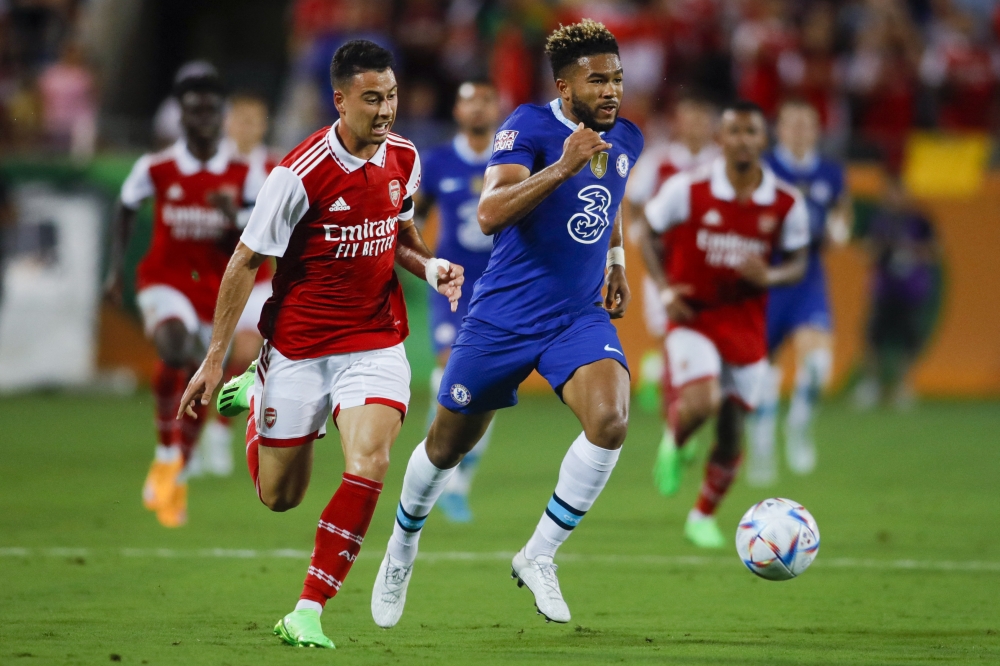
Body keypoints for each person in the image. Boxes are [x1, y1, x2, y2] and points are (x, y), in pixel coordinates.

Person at [177, 40, 463, 649]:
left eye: (390, 97)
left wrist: (431, 267)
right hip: (300, 346)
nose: (386, 110)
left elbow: (400, 236)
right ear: (339, 100)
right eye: (371, 99)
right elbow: (243, 262)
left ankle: (309, 607)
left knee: (371, 461)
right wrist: (212, 360)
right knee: (281, 497)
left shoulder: (405, 158)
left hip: (374, 338)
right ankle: (259, 395)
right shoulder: (298, 174)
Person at [370, 19, 643, 627]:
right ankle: (401, 547)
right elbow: (490, 212)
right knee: (444, 448)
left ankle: (539, 553)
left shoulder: (626, 136)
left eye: (618, 78)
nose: (612, 91)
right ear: (565, 88)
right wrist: (564, 166)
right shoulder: (527, 126)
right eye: (598, 80)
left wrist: (617, 258)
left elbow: (612, 195)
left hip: (576, 314)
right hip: (503, 317)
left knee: (611, 420)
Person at [641, 100, 809, 548]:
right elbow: (647, 234)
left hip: (747, 327)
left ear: (763, 140)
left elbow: (798, 261)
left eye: (750, 132)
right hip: (693, 315)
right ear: (720, 139)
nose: (741, 140)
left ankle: (702, 516)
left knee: (733, 432)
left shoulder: (786, 202)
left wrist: (769, 275)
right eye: (732, 131)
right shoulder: (688, 189)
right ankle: (675, 439)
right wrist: (665, 289)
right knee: (701, 402)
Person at [105, 71, 266, 528]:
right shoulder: (155, 167)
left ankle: (176, 465)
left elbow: (254, 237)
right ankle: (163, 450)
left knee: (201, 374)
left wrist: (228, 216)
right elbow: (126, 206)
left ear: (221, 116)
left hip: (214, 291)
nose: (202, 118)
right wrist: (115, 270)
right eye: (193, 109)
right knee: (174, 348)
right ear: (181, 116)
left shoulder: (244, 172)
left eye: (210, 109)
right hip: (164, 278)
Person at [747, 99, 852, 486]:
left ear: (817, 130)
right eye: (792, 124)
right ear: (779, 129)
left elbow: (842, 210)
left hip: (807, 277)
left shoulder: (830, 172)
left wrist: (841, 226)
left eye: (807, 124)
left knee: (817, 365)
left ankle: (799, 426)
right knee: (762, 375)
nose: (799, 131)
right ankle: (760, 443)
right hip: (767, 279)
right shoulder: (762, 169)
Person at [415, 78, 500, 523]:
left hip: (503, 285)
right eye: (471, 100)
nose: (479, 108)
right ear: (458, 110)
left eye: (487, 100)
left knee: (489, 382)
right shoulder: (437, 162)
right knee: (449, 369)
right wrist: (423, 262)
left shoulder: (513, 156)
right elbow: (413, 217)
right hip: (455, 284)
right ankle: (438, 463)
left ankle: (459, 482)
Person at [627, 95, 720, 488]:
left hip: (711, 273)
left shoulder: (720, 162)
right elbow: (631, 202)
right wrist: (635, 233)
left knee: (704, 351)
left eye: (703, 118)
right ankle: (675, 432)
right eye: (689, 117)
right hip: (664, 271)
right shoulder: (658, 161)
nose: (696, 125)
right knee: (674, 342)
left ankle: (666, 391)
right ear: (679, 122)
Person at [192, 93, 278, 478]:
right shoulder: (208, 168)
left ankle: (221, 432)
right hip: (208, 278)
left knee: (245, 353)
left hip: (256, 279)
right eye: (241, 119)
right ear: (228, 123)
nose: (248, 128)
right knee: (200, 360)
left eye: (255, 120)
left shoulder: (275, 168)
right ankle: (187, 442)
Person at [853, 179, 937, 411]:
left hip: (911, 289)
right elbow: (865, 249)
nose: (895, 198)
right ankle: (871, 385)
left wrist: (911, 250)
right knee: (873, 337)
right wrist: (881, 249)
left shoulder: (920, 220)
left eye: (899, 192)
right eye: (891, 193)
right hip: (884, 288)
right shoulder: (879, 220)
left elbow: (934, 250)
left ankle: (903, 386)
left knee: (909, 338)